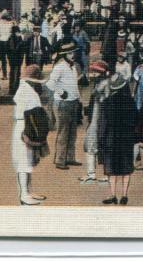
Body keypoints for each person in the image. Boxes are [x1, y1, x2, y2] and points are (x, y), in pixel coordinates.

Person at [12, 65, 50, 206]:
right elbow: (33, 111)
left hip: (26, 125)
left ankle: (29, 191)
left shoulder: (25, 89)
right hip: (26, 126)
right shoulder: (27, 92)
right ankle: (24, 194)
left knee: (28, 160)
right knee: (24, 162)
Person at [79, 60, 119, 185]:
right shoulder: (98, 83)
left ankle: (108, 174)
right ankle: (91, 174)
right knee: (91, 144)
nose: (93, 74)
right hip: (96, 118)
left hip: (103, 118)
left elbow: (107, 101)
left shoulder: (105, 84)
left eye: (96, 72)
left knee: (105, 145)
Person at [101, 67, 137, 205]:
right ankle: (124, 195)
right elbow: (135, 120)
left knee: (112, 170)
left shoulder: (107, 103)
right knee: (126, 169)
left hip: (111, 139)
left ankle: (112, 195)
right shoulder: (130, 103)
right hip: (126, 139)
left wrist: (102, 140)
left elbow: (103, 125)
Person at [47, 41, 82, 170]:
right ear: (64, 55)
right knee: (63, 132)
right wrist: (61, 92)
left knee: (72, 133)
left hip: (73, 102)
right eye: (70, 53)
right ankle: (60, 160)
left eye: (73, 52)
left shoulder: (72, 67)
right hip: (63, 103)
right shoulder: (60, 67)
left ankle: (70, 158)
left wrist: (78, 98)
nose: (73, 55)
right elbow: (50, 84)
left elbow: (74, 84)